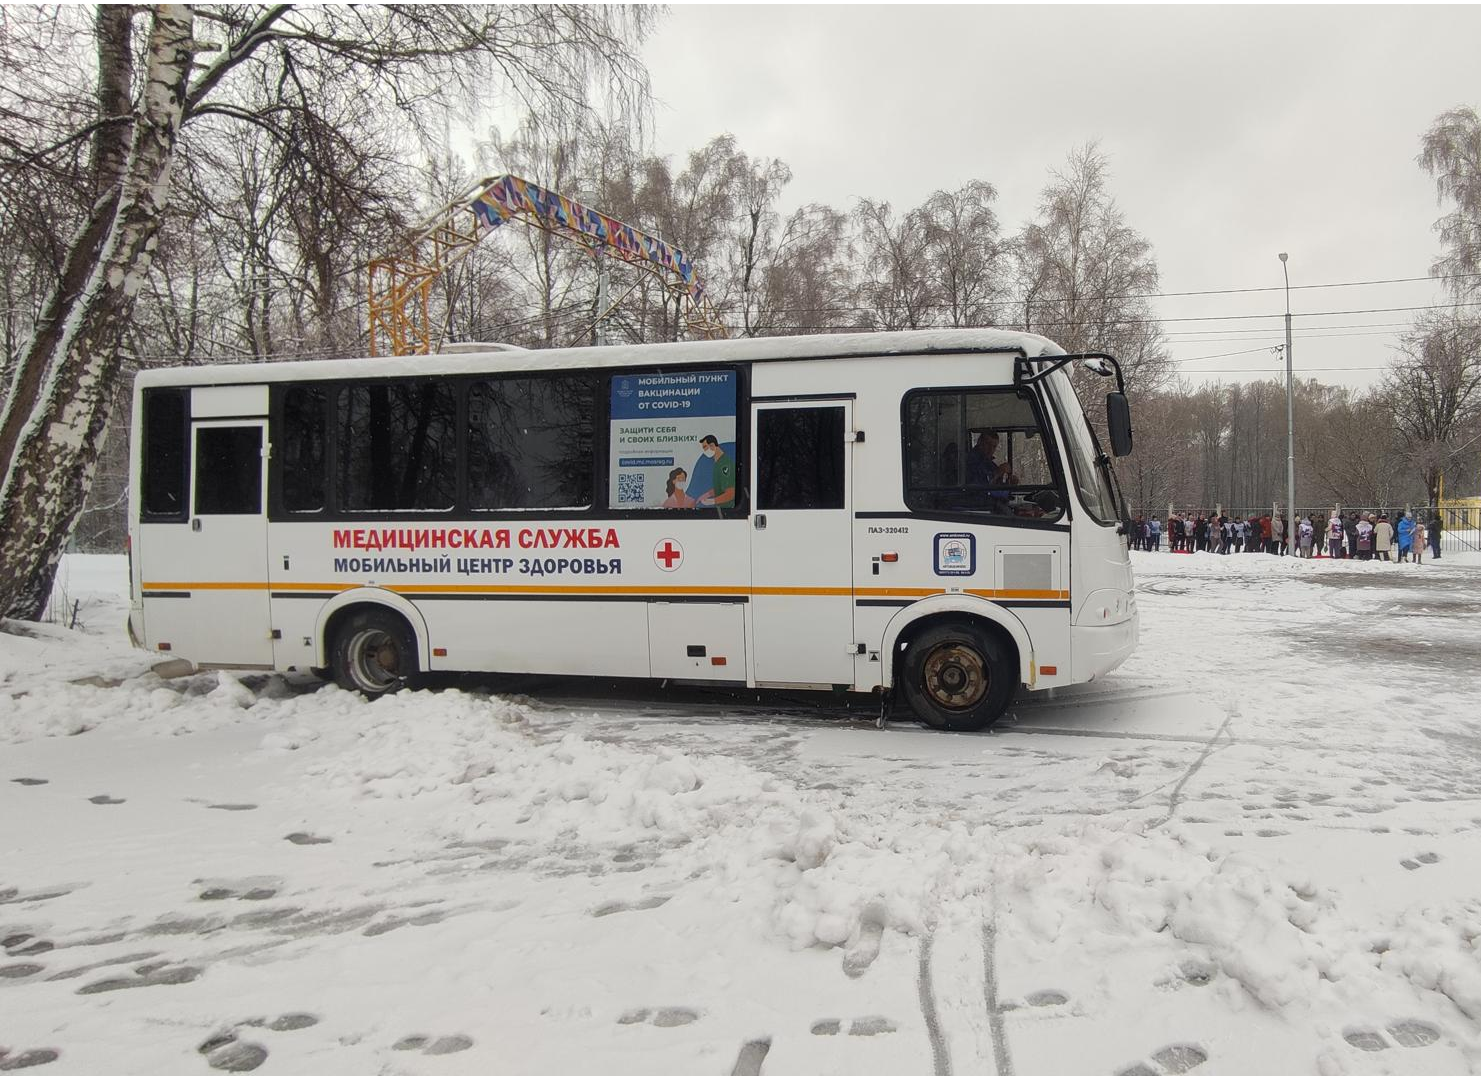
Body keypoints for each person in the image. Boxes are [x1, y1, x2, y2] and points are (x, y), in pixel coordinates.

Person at [696, 434, 736, 507]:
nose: (704, 451)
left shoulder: (725, 464)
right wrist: (707, 495)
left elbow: (731, 493)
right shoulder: (717, 464)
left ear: (712, 445)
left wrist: (713, 501)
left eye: (705, 447)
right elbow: (720, 488)